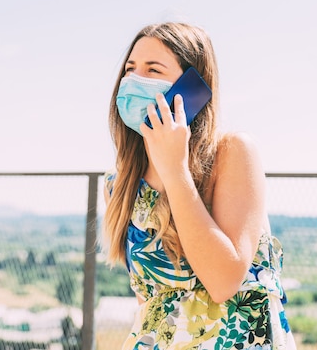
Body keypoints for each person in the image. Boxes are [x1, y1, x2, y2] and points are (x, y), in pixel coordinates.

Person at [103, 22, 296, 350]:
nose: (135, 80)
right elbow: (147, 302)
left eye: (153, 69)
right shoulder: (120, 183)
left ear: (191, 87)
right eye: (130, 69)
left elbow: (223, 282)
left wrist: (175, 172)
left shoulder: (233, 152)